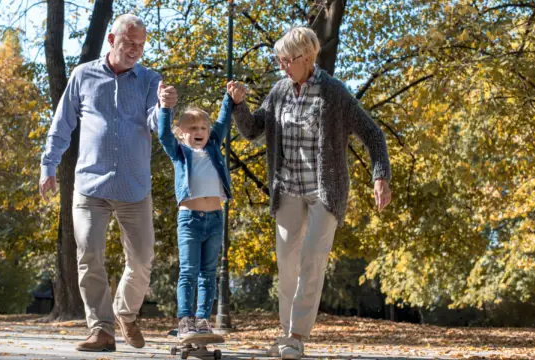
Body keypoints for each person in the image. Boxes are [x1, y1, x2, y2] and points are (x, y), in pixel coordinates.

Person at [227, 27, 392, 360]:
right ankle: (287, 332)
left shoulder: (334, 93)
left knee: (311, 261)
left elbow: (373, 135)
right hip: (287, 188)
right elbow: (252, 130)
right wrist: (239, 105)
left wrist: (381, 176)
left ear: (305, 58)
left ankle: (296, 336)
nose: (281, 66)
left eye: (285, 60)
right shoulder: (279, 91)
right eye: (279, 60)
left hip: (324, 192)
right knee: (287, 262)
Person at [39, 14, 178, 352]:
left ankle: (124, 312)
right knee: (89, 254)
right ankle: (100, 329)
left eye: (141, 45)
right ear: (112, 40)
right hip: (90, 186)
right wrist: (48, 165)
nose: (135, 50)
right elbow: (62, 124)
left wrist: (163, 108)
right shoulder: (82, 75)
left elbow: (153, 123)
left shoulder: (149, 79)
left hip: (134, 187)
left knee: (143, 258)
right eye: (129, 43)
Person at [156, 82, 237, 341]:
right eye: (192, 128)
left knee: (208, 273)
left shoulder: (213, 148)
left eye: (203, 127)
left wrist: (229, 98)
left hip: (215, 219)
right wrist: (166, 109)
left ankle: (202, 319)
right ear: (182, 133)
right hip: (189, 219)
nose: (199, 131)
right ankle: (185, 320)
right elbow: (163, 136)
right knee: (189, 271)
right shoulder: (179, 153)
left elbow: (223, 122)